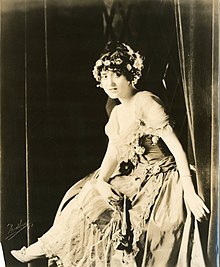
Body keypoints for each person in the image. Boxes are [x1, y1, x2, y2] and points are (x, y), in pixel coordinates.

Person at [11, 42, 209, 267]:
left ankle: (44, 247)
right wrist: (102, 182)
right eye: (105, 76)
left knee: (125, 223)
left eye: (117, 74)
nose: (111, 82)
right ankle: (46, 245)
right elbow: (113, 152)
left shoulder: (145, 100)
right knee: (87, 194)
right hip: (136, 175)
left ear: (131, 76)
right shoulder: (116, 112)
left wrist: (189, 191)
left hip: (163, 177)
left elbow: (176, 148)